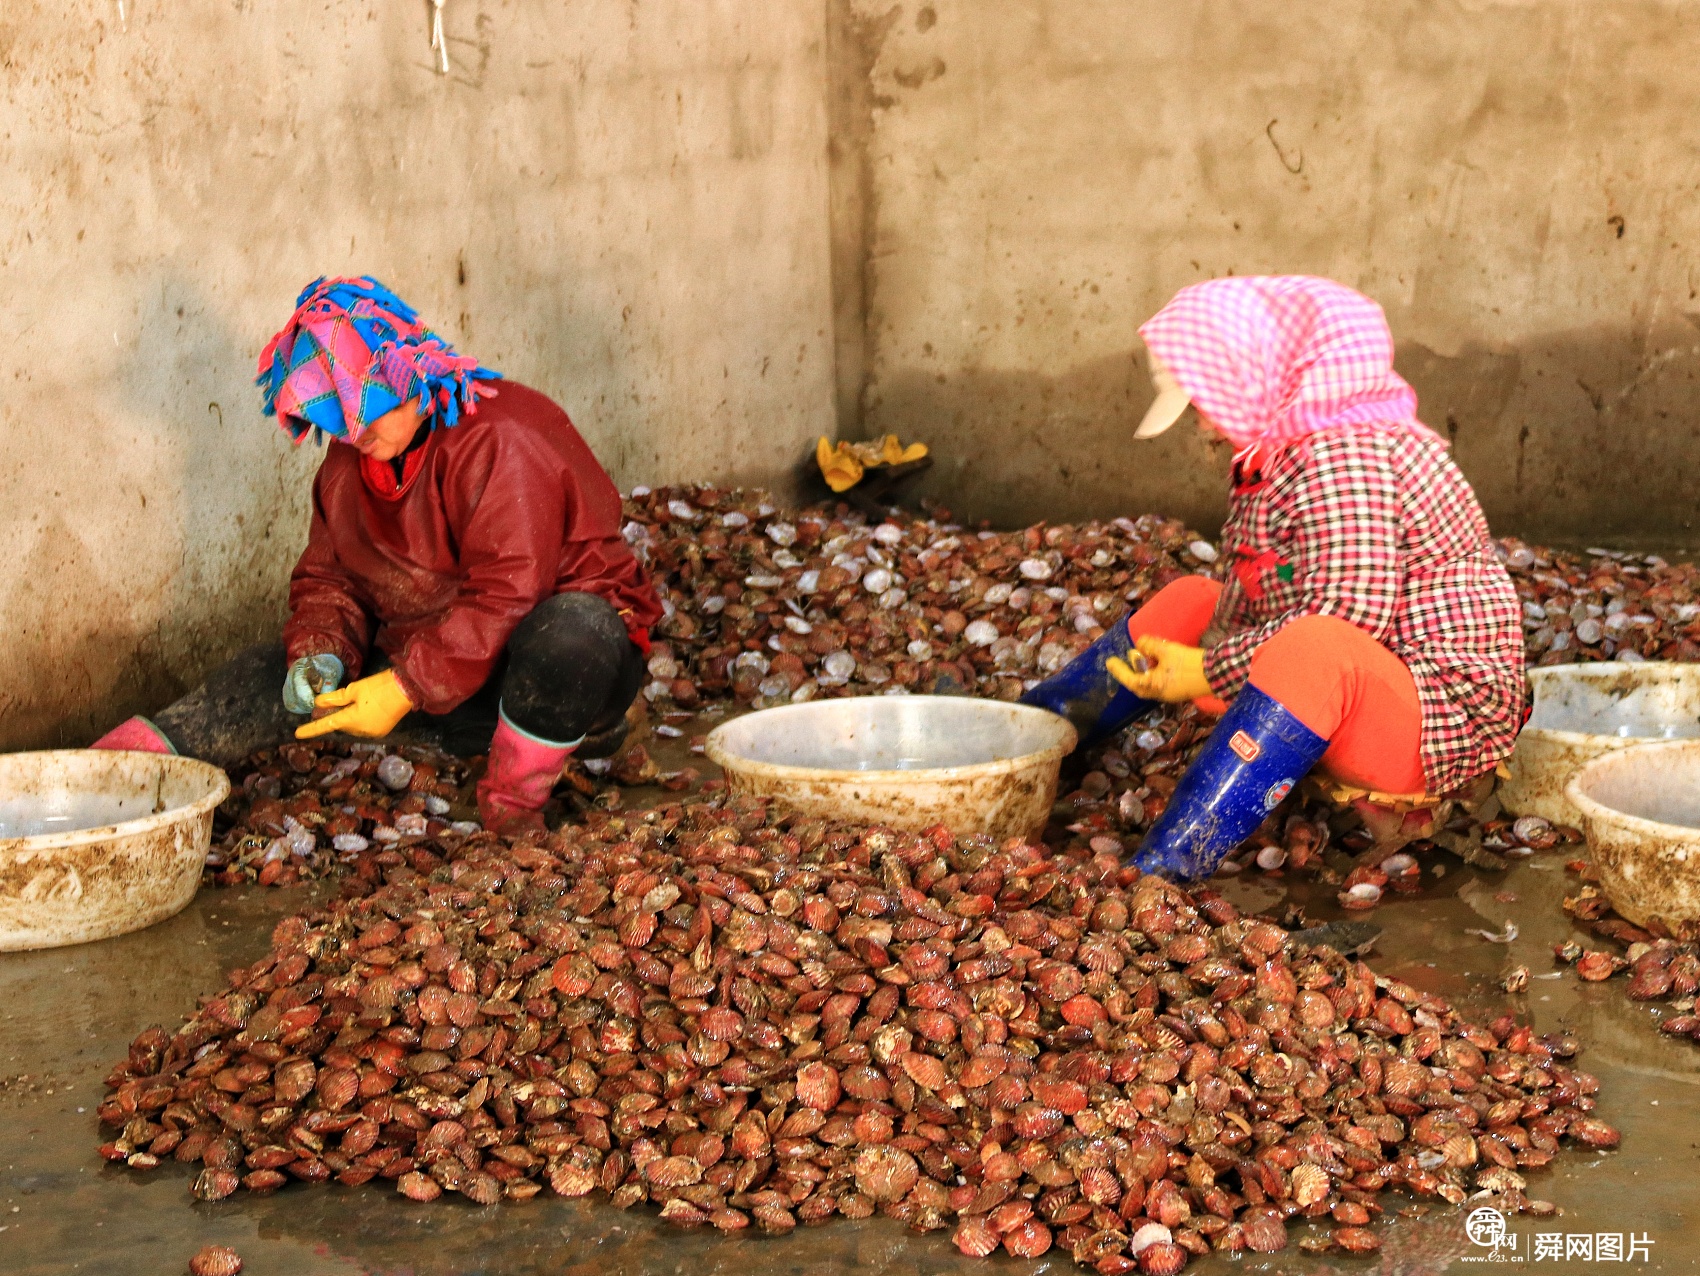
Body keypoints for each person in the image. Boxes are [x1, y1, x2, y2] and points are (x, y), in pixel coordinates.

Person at [93, 276, 662, 835]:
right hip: (440, 680)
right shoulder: (346, 468)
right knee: (262, 674)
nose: (352, 430)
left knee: (572, 634)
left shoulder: (497, 438)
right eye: (335, 415)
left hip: (554, 671)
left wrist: (404, 687)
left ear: (408, 376)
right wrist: (320, 654)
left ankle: (519, 798)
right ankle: (95, 782)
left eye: (366, 408)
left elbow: (510, 592)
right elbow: (327, 579)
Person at [1021, 275, 1525, 879]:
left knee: (1317, 643)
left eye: (1205, 399)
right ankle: (1031, 744)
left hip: (1431, 722)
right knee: (1194, 600)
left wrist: (1205, 672)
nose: (1203, 423)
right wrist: (1199, 661)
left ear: (1257, 373)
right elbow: (1255, 597)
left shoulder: (1346, 449)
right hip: (1368, 682)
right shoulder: (1283, 448)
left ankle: (1165, 870)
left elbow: (1347, 616)